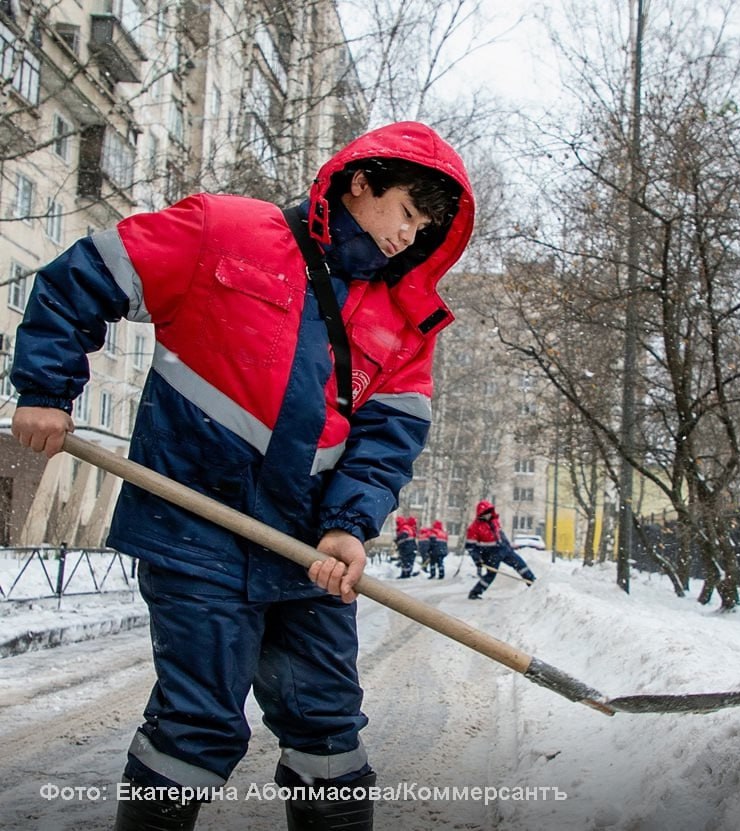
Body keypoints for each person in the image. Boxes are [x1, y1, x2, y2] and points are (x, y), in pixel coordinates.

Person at [8, 121, 474, 831]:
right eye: (407, 211)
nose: (408, 237)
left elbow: (388, 439)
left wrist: (348, 526)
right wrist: (46, 390)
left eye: (424, 230)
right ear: (360, 181)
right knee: (197, 725)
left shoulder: (403, 320)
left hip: (308, 550)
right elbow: (85, 276)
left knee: (327, 728)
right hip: (195, 525)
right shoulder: (224, 229)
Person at [465, 500, 535, 599]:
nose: (488, 515)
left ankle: (533, 583)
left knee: (520, 565)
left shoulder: (494, 521)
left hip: (504, 549)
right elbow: (471, 547)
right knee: (491, 575)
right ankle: (475, 593)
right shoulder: (474, 528)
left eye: (489, 512)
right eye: (485, 513)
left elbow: (501, 534)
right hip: (490, 554)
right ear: (480, 514)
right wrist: (477, 559)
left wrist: (508, 545)